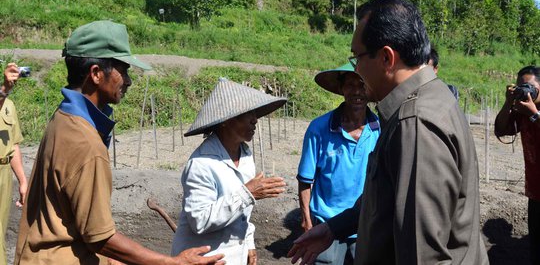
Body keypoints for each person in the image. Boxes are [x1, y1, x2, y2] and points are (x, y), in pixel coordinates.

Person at [288, 0, 488, 264]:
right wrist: (334, 228)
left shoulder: (415, 122)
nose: (356, 69)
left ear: (386, 57)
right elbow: (385, 198)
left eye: (357, 56)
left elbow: (423, 255)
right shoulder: (431, 100)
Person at [15, 20, 224, 265]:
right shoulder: (85, 143)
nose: (128, 81)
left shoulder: (64, 117)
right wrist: (173, 262)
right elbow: (99, 238)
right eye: (122, 71)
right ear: (95, 73)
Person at [171, 78, 287, 265]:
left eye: (254, 112)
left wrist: (248, 242)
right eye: (247, 113)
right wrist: (248, 193)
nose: (255, 119)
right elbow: (199, 221)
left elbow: (242, 214)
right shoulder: (202, 164)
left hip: (234, 257)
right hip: (204, 258)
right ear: (225, 121)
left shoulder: (245, 155)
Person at [296, 63, 379, 265]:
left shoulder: (380, 129)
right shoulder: (319, 128)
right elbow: (305, 180)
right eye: (350, 85)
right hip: (327, 221)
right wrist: (307, 219)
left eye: (362, 84)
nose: (357, 91)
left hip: (363, 223)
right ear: (341, 89)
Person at [494, 66, 540, 264]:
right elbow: (500, 129)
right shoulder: (521, 110)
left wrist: (534, 114)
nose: (526, 91)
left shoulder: (529, 112)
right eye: (522, 87)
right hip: (536, 192)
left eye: (530, 87)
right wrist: (508, 102)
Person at [0, 62, 27, 264]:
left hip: (5, 172)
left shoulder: (8, 105)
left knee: (1, 229)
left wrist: (23, 181)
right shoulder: (3, 98)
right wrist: (4, 89)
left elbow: (13, 144)